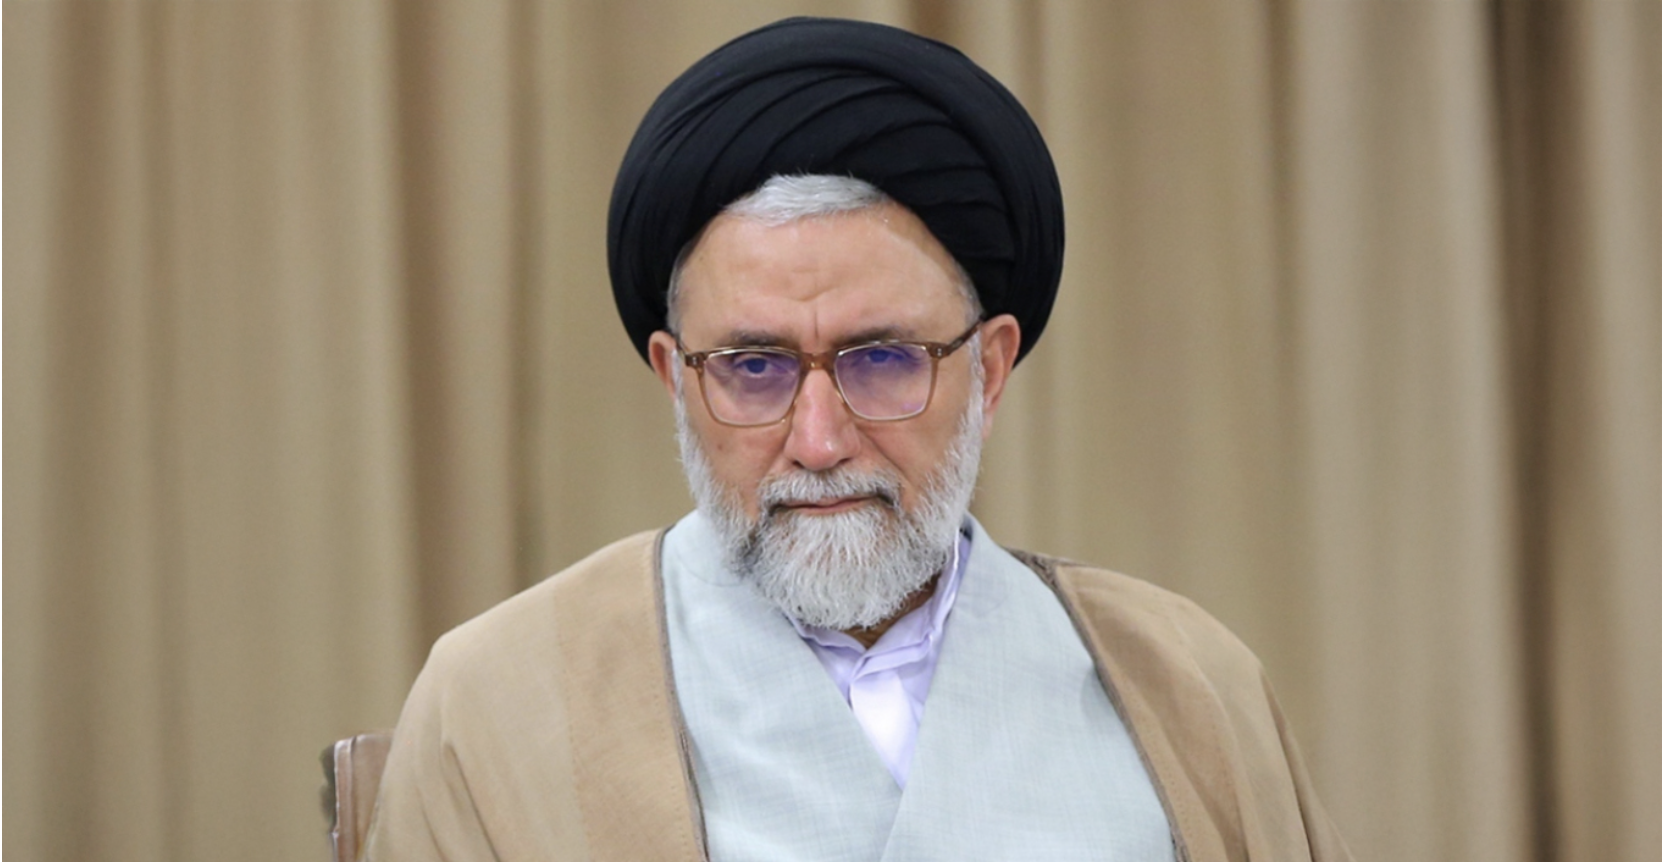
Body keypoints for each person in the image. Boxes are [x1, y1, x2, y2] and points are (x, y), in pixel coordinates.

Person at [364, 17, 1352, 862]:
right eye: (754, 367)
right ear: (675, 378)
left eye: (881, 359)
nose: (820, 439)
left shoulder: (1188, 690)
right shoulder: (497, 702)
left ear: (989, 369)